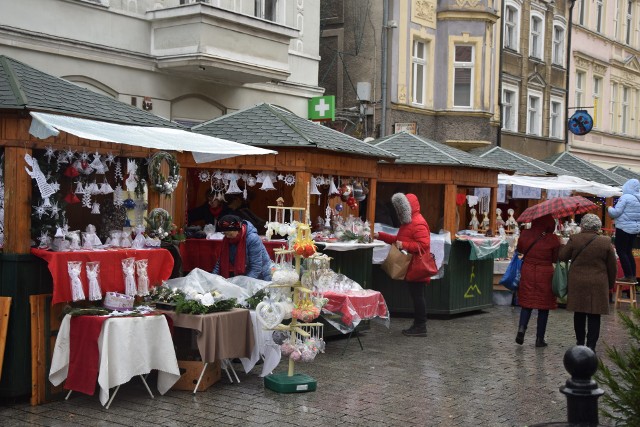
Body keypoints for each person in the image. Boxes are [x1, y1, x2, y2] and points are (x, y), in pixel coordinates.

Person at [374, 193, 431, 337]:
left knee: (418, 296)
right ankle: (419, 325)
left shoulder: (417, 222)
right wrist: (380, 236)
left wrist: (404, 244)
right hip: (411, 265)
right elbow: (398, 239)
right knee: (416, 295)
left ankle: (420, 326)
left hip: (417, 266)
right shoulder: (409, 222)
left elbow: (424, 244)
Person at [559, 214, 617, 352]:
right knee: (594, 314)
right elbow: (612, 266)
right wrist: (610, 284)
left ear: (583, 225)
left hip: (577, 282)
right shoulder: (606, 242)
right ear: (598, 226)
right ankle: (591, 346)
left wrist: (562, 244)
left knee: (579, 313)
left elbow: (562, 257)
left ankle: (580, 342)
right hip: (598, 283)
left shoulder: (575, 239)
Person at [515, 214, 561, 347]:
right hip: (545, 273)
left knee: (527, 303)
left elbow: (520, 249)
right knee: (543, 306)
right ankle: (539, 339)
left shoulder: (525, 234)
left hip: (528, 270)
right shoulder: (553, 239)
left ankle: (522, 329)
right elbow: (554, 258)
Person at [213, 214, 272, 281]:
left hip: (262, 276)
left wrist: (243, 284)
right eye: (225, 234)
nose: (227, 237)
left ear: (237, 230)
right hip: (246, 275)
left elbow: (256, 267)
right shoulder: (227, 240)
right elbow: (220, 263)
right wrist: (212, 279)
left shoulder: (252, 238)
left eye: (230, 234)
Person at [607, 178, 640, 283]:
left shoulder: (625, 197)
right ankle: (633, 275)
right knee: (628, 252)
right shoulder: (638, 199)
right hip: (634, 229)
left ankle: (628, 275)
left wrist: (609, 208)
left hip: (623, 228)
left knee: (621, 251)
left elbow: (615, 213)